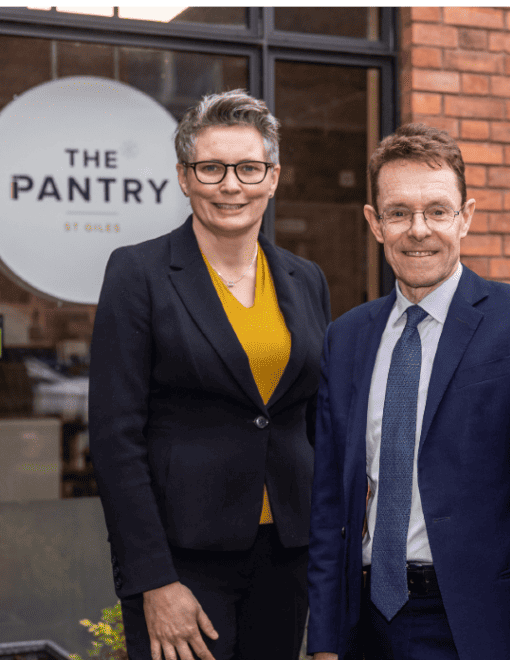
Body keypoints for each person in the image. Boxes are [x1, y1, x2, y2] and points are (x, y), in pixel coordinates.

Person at [306, 123, 510, 660]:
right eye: (398, 212)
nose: (419, 230)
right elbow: (329, 506)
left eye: (437, 210)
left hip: (482, 627)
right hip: (365, 626)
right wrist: (323, 641)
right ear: (374, 222)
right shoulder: (347, 338)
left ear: (466, 217)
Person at [89, 89, 330, 660]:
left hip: (286, 553)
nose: (231, 185)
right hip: (183, 561)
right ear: (184, 176)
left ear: (273, 177)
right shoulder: (138, 273)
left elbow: (314, 416)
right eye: (211, 168)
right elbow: (115, 438)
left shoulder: (305, 277)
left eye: (249, 168)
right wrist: (153, 580)